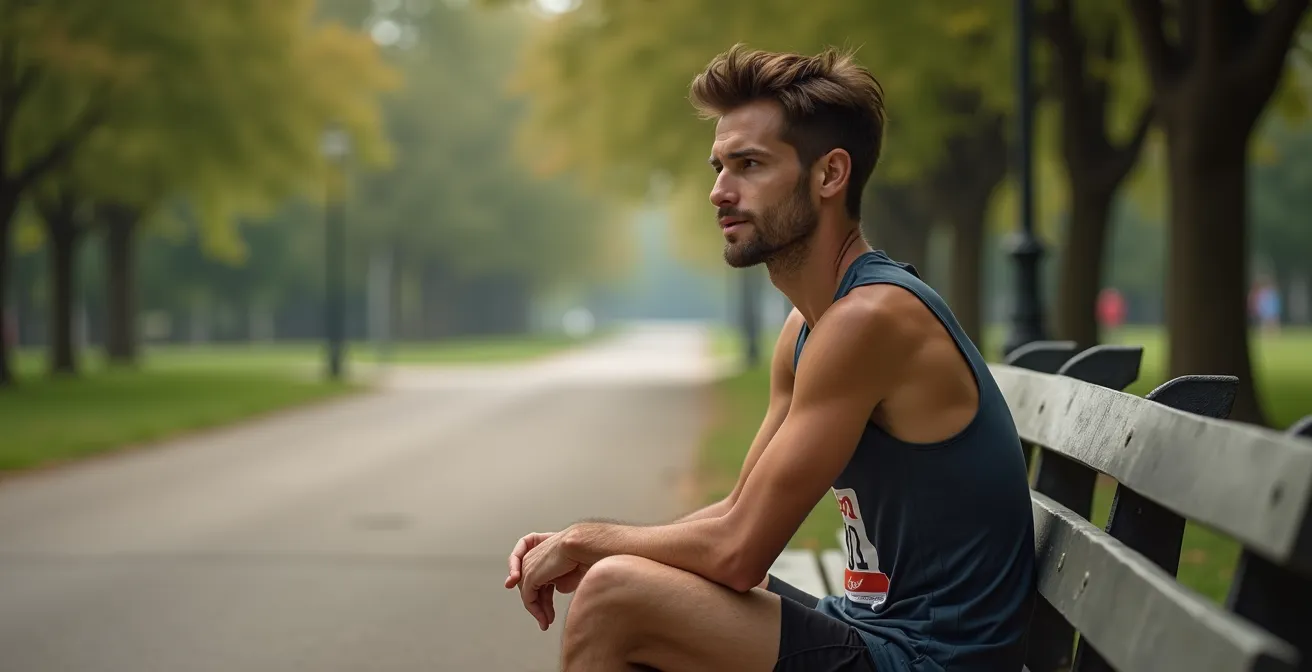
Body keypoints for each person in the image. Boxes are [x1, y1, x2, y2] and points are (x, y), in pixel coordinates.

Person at [505, 44, 1036, 672]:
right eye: (719, 166)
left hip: (931, 659)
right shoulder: (808, 327)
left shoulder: (869, 320)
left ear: (830, 175)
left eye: (749, 165)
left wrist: (586, 543)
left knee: (614, 596)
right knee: (631, 580)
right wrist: (601, 547)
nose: (718, 192)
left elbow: (737, 553)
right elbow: (738, 512)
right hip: (879, 631)